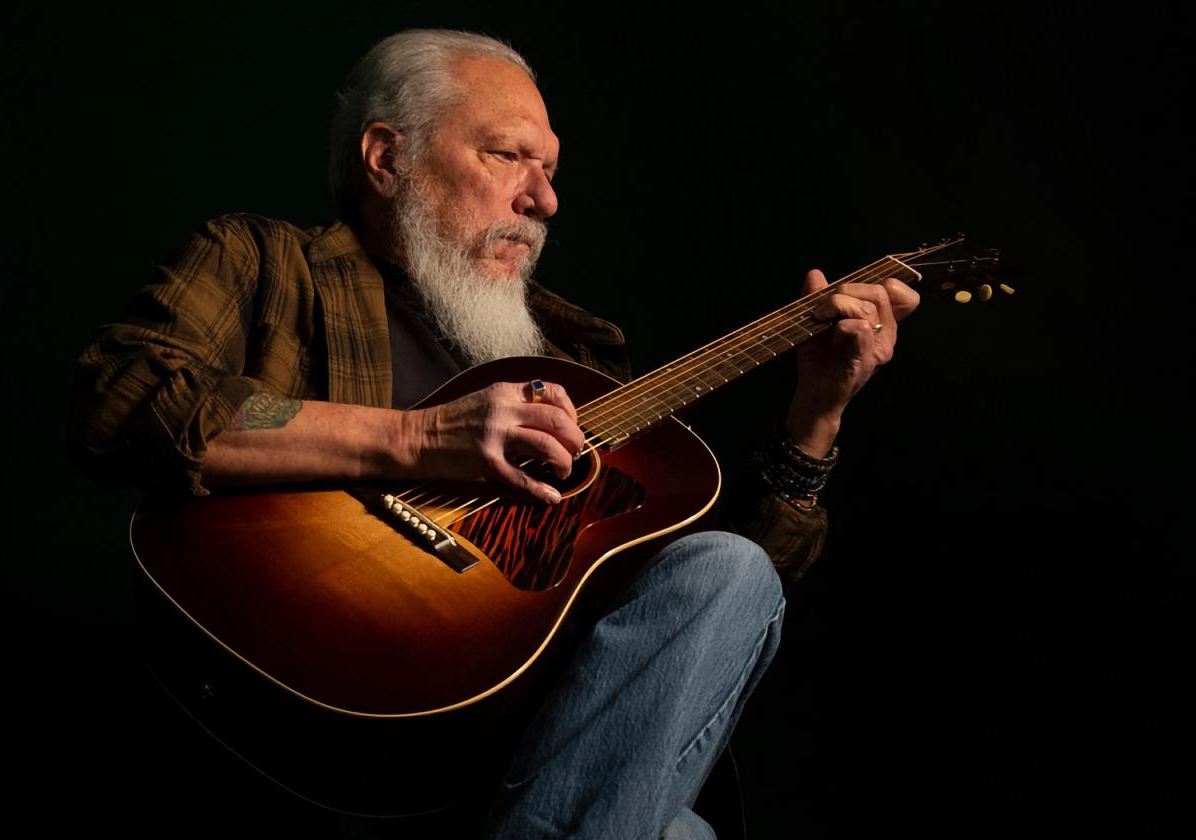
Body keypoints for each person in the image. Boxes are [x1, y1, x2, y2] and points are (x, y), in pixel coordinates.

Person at [70, 28, 919, 839]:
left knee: (727, 570)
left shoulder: (578, 360)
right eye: (508, 155)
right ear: (386, 157)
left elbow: (701, 628)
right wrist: (419, 438)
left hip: (531, 744)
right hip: (337, 726)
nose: (542, 200)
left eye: (549, 172)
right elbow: (121, 399)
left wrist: (818, 411)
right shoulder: (265, 265)